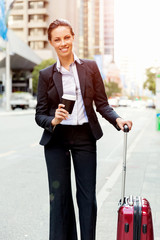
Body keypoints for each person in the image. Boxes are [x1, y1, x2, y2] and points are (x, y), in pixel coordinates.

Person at [35, 19, 132, 240]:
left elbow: (102, 104)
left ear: (73, 37)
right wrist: (53, 120)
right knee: (59, 198)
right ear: (52, 43)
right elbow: (39, 114)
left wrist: (118, 120)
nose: (63, 43)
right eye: (57, 39)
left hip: (84, 137)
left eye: (66, 37)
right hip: (57, 139)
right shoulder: (46, 75)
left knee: (87, 197)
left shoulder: (90, 67)